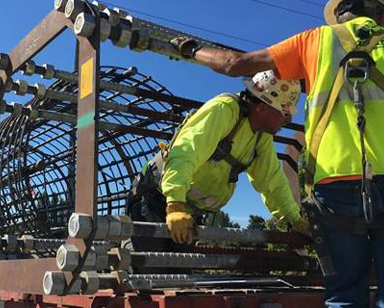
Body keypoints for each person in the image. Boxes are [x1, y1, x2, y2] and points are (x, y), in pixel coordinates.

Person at [170, 0, 384, 307]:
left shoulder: (317, 40)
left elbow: (234, 63)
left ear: (340, 18)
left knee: (345, 293)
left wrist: (190, 49)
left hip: (337, 184)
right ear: (382, 18)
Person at [126, 70, 308, 252]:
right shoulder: (224, 110)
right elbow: (186, 151)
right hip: (155, 201)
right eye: (284, 112)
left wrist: (295, 219)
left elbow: (271, 181)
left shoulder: (261, 136)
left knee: (177, 276)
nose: (289, 119)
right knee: (148, 269)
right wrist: (175, 205)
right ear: (262, 108)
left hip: (188, 213)